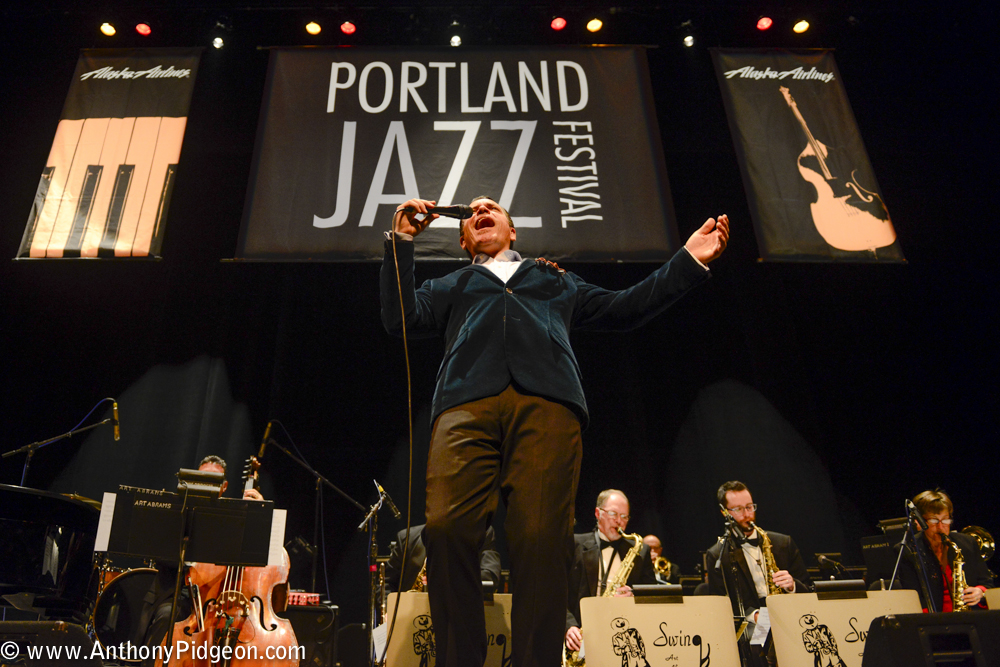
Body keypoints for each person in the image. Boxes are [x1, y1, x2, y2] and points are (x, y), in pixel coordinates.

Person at [381, 196, 729, 667]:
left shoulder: (554, 278)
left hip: (547, 405)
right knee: (444, 530)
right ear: (464, 238)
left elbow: (624, 308)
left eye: (494, 207)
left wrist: (687, 260)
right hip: (465, 404)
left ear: (513, 230)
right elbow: (400, 317)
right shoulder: (455, 282)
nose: (483, 210)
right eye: (474, 211)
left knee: (543, 541)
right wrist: (402, 241)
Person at [705, 481, 811, 625]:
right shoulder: (717, 554)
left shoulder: (783, 543)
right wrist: (753, 616)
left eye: (749, 507)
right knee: (760, 644)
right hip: (753, 624)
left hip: (791, 616)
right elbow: (719, 606)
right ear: (725, 513)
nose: (747, 514)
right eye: (738, 509)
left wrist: (793, 586)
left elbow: (809, 589)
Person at [565, 489, 656, 656]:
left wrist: (634, 595)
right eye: (613, 514)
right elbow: (556, 592)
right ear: (598, 513)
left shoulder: (640, 551)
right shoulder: (574, 544)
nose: (619, 521)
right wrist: (568, 626)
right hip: (581, 636)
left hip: (624, 637)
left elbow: (653, 596)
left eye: (624, 516)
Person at [898, 489, 992, 612]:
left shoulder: (968, 543)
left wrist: (980, 592)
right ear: (920, 522)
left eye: (945, 520)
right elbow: (913, 599)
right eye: (934, 520)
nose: (941, 527)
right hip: (933, 623)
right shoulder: (908, 550)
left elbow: (987, 583)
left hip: (972, 619)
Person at [385, 523, 502, 593]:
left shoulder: (482, 532)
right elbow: (387, 584)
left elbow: (490, 577)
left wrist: (446, 579)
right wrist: (388, 611)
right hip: (411, 620)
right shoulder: (407, 538)